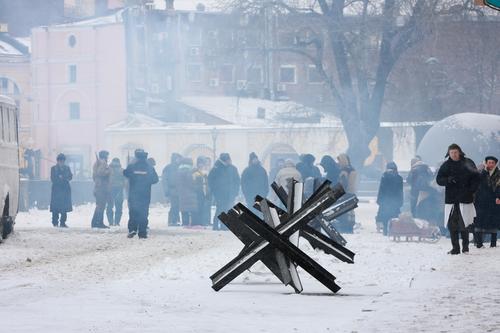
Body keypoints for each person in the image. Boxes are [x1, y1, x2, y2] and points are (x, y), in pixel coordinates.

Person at [436, 144, 480, 255]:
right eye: (451, 153)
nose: (454, 155)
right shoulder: (446, 165)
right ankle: (455, 248)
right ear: (449, 153)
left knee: (464, 224)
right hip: (451, 200)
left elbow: (476, 178)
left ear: (459, 152)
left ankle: (465, 247)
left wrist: (471, 190)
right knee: (452, 226)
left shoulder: (468, 162)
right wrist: (448, 180)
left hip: (465, 199)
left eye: (455, 152)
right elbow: (439, 180)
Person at [124, 149, 159, 239]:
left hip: (134, 193)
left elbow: (125, 173)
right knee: (144, 212)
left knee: (133, 211)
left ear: (136, 157)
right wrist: (146, 181)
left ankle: (132, 229)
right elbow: (155, 179)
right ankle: (142, 232)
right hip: (145, 194)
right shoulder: (149, 168)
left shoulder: (132, 166)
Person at [208, 153, 240, 231]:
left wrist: (235, 192)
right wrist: (215, 191)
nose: (230, 161)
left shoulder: (233, 168)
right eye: (228, 160)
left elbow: (237, 181)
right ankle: (216, 225)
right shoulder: (216, 168)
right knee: (220, 209)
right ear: (224, 160)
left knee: (227, 209)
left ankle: (224, 226)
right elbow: (211, 181)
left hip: (230, 193)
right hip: (220, 194)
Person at [474, 156, 500, 248]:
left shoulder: (498, 174)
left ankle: (493, 243)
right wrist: (485, 170)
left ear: (495, 164)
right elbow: (478, 181)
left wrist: (498, 196)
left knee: (494, 220)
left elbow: (499, 187)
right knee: (479, 220)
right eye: (489, 162)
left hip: (493, 200)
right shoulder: (481, 172)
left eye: (493, 163)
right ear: (486, 163)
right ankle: (479, 243)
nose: (491, 164)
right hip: (481, 200)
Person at [376, 162, 404, 236]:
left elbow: (381, 189)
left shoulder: (384, 176)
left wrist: (379, 200)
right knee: (394, 216)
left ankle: (385, 231)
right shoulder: (399, 177)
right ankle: (393, 231)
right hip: (395, 201)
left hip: (385, 201)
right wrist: (400, 202)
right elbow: (400, 191)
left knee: (385, 216)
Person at [50, 153, 73, 228]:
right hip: (56, 191)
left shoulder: (67, 168)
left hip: (65, 190)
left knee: (64, 208)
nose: (62, 162)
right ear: (58, 161)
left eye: (63, 161)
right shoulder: (53, 168)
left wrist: (62, 177)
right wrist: (61, 179)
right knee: (55, 208)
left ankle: (63, 222)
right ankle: (55, 222)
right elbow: (53, 179)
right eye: (60, 161)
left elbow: (70, 176)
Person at [336, 153, 357, 233]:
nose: (338, 163)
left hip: (346, 193)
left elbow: (343, 183)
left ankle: (345, 228)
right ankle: (350, 227)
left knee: (345, 211)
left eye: (339, 161)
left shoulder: (344, 171)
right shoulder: (353, 169)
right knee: (351, 211)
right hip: (352, 192)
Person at [91, 150, 111, 229]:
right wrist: (108, 171)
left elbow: (94, 176)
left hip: (99, 187)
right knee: (101, 206)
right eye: (107, 156)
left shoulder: (97, 163)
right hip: (101, 188)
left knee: (99, 206)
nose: (108, 157)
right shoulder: (102, 163)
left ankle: (95, 222)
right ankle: (99, 222)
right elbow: (100, 173)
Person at [161, 153, 182, 226]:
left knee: (177, 205)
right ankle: (172, 221)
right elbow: (164, 180)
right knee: (174, 206)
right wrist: (166, 191)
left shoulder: (179, 167)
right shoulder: (168, 168)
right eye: (178, 158)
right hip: (172, 189)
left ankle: (176, 220)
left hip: (178, 189)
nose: (179, 160)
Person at [176, 158, 198, 226]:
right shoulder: (189, 171)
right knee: (192, 209)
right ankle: (194, 223)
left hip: (181, 192)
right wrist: (196, 187)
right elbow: (191, 182)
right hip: (190, 192)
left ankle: (185, 223)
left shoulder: (178, 171)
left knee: (184, 209)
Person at [106, 158, 126, 226]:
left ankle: (110, 222)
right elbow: (125, 180)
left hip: (110, 189)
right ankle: (117, 222)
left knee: (109, 206)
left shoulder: (108, 169)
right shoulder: (122, 170)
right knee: (119, 206)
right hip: (119, 189)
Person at [193, 156, 211, 226]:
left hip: (205, 191)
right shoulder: (195, 172)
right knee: (200, 207)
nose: (203, 165)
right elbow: (194, 181)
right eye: (202, 163)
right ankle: (201, 221)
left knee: (206, 207)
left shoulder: (205, 171)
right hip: (199, 192)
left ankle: (206, 221)